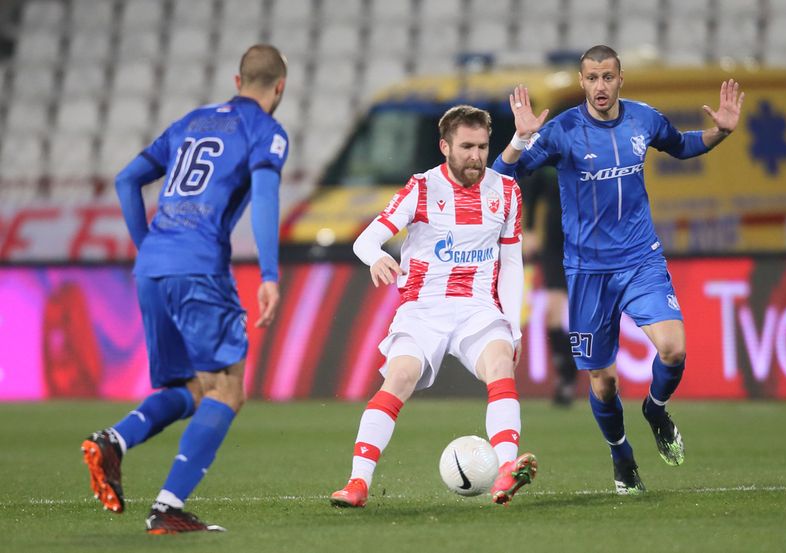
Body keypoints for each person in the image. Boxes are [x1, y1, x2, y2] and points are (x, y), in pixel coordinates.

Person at [493, 45, 744, 494]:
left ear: (620, 79)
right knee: (603, 382)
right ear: (582, 81)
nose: (600, 86)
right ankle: (621, 454)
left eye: (607, 77)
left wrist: (719, 132)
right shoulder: (563, 130)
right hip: (587, 272)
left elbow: (682, 145)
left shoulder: (643, 119)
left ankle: (655, 407)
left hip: (640, 258)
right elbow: (501, 178)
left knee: (674, 349)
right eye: (591, 78)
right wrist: (519, 140)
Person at [80, 44, 289, 533]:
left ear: (238, 82)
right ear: (279, 87)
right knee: (229, 389)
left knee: (190, 387)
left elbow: (127, 180)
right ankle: (168, 508)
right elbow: (264, 199)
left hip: (153, 268)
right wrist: (270, 276)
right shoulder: (265, 131)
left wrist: (147, 247)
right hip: (198, 266)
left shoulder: (192, 122)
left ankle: (114, 440)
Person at [330, 105, 537, 508]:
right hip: (423, 308)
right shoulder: (421, 188)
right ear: (445, 147)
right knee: (400, 377)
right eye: (466, 147)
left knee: (500, 364)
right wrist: (376, 258)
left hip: (478, 307)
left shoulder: (507, 192)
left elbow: (512, 263)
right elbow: (364, 241)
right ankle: (357, 482)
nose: (476, 156)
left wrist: (513, 328)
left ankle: (506, 471)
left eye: (482, 146)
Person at [518, 168, 578, 406]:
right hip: (554, 248)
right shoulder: (547, 163)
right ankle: (567, 376)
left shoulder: (588, 155)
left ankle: (598, 382)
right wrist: (529, 231)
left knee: (587, 318)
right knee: (553, 317)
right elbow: (531, 197)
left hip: (585, 246)